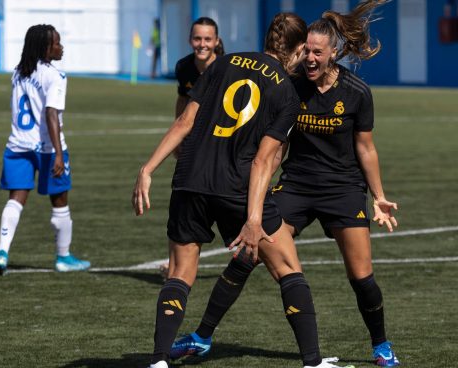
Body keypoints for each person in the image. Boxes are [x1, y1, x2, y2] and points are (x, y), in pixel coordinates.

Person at [169, 1, 401, 366]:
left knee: (361, 276)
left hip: (343, 189)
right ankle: (201, 337)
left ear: (334, 53)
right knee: (249, 251)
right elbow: (275, 150)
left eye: (317, 52)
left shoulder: (356, 92)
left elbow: (366, 148)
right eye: (305, 49)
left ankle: (381, 345)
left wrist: (379, 196)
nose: (309, 58)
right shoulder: (289, 87)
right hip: (296, 185)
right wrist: (254, 198)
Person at [133, 13, 353, 368]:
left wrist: (147, 169)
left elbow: (184, 122)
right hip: (237, 187)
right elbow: (264, 161)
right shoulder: (285, 89)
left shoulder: (222, 63)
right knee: (287, 268)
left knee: (179, 272)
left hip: (191, 178)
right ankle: (313, 362)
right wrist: (253, 218)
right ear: (297, 50)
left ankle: (158, 360)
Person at [0, 24, 91, 275]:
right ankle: (63, 257)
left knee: (15, 199)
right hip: (46, 148)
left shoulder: (18, 72)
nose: (61, 47)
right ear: (45, 48)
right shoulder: (55, 76)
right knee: (60, 202)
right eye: (56, 43)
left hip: (17, 144)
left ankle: (2, 252)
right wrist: (58, 153)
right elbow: (51, 113)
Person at [160, 16, 225, 277]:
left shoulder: (225, 67)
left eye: (208, 39)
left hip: (220, 144)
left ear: (217, 41)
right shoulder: (184, 67)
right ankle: (174, 264)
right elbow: (182, 100)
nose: (202, 44)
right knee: (180, 201)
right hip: (193, 145)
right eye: (197, 38)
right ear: (190, 40)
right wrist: (178, 136)